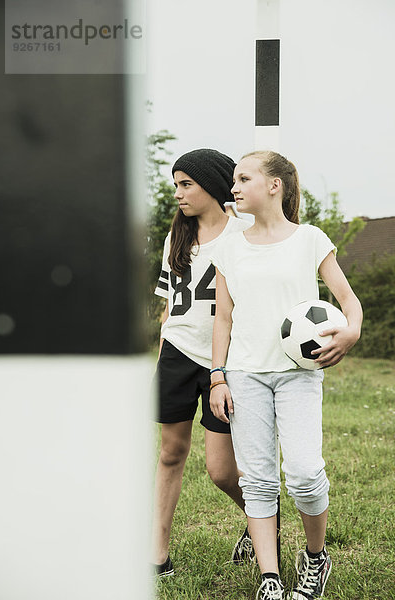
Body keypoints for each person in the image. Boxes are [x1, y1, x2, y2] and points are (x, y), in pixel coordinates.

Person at [209, 150, 363, 600]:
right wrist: (218, 377)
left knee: (303, 473)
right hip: (243, 375)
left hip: (298, 374)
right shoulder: (229, 247)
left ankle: (316, 558)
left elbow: (348, 300)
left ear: (274, 185)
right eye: (233, 180)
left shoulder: (310, 239)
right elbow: (223, 318)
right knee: (256, 479)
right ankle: (270, 580)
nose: (233, 187)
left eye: (243, 178)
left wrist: (350, 333)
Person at [152, 148, 254, 577]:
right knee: (170, 453)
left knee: (220, 470)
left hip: (223, 361)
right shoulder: (175, 237)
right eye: (176, 184)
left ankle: (262, 517)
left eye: (186, 184)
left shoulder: (246, 233)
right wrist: (160, 356)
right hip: (176, 353)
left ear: (212, 184)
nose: (178, 193)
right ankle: (157, 554)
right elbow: (168, 307)